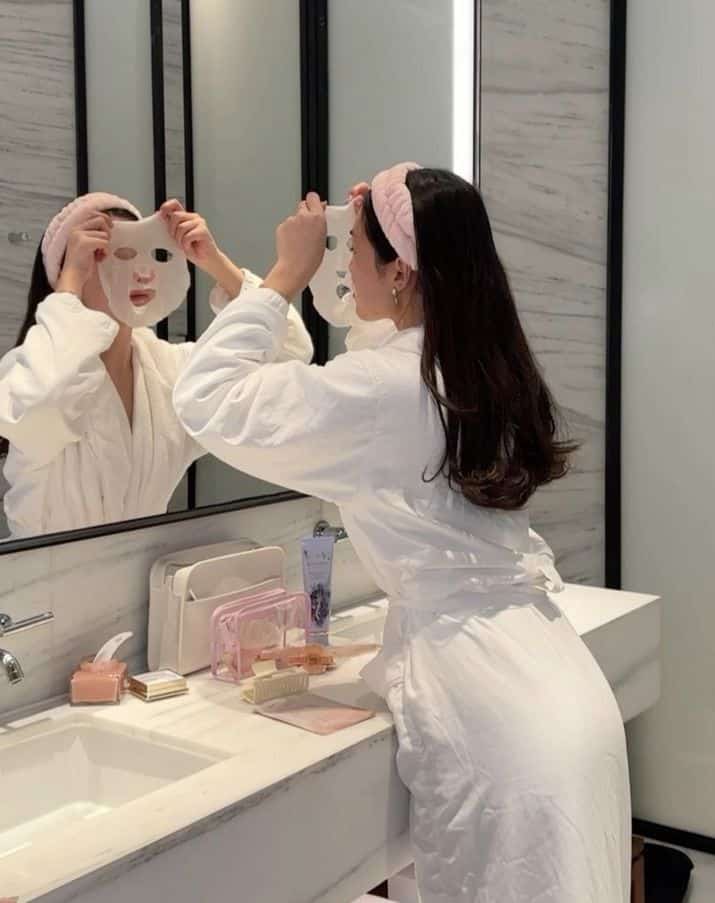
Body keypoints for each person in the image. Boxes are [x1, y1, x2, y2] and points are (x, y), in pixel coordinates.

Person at [173, 163, 631, 902]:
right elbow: (367, 331)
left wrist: (285, 273)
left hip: (489, 708)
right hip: (558, 684)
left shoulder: (386, 389)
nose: (342, 263)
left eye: (352, 249)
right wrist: (361, 232)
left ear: (401, 270)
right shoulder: (474, 369)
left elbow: (208, 398)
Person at [0, 192, 313, 538]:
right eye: (113, 255)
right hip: (42, 572)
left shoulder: (172, 373)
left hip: (143, 570)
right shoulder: (27, 374)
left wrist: (215, 262)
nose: (141, 273)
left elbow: (287, 353)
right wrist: (69, 282)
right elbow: (43, 407)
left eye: (151, 253)